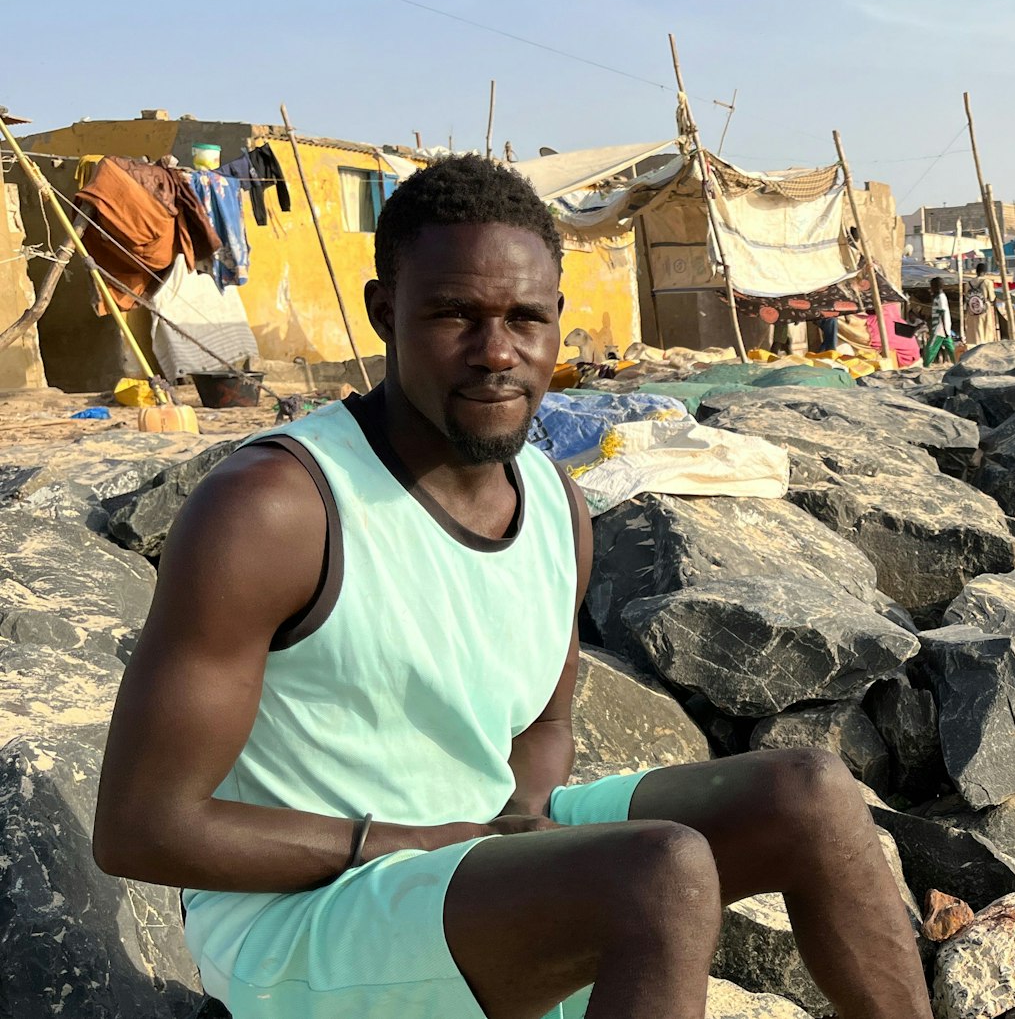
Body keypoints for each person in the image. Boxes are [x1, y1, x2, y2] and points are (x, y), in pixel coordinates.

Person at [91, 155, 931, 1019]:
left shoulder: (555, 504)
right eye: (456, 315)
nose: (497, 352)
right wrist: (414, 844)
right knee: (660, 874)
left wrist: (522, 837)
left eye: (525, 319)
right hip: (303, 916)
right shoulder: (278, 507)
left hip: (466, 850)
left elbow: (546, 725)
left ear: (557, 324)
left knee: (812, 797)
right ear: (386, 313)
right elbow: (141, 827)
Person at [967, 262, 998, 344]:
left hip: (972, 310)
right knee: (985, 331)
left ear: (976, 271)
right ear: (985, 272)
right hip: (984, 310)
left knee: (974, 331)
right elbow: (992, 297)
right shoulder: (987, 282)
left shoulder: (968, 283)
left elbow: (966, 297)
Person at [928, 276, 954, 340]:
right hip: (942, 330)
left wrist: (945, 330)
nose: (930, 288)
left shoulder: (940, 298)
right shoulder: (938, 297)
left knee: (929, 349)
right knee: (951, 349)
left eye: (931, 286)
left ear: (935, 287)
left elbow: (943, 313)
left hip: (939, 330)